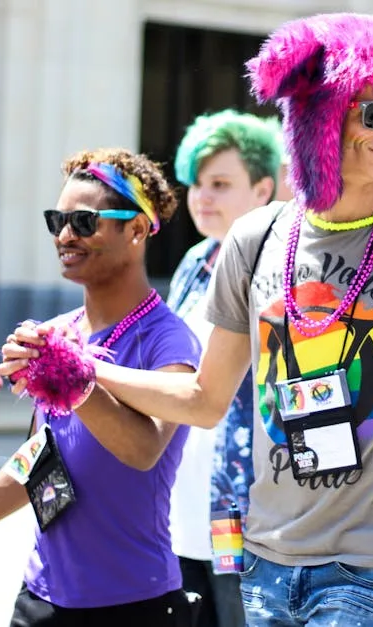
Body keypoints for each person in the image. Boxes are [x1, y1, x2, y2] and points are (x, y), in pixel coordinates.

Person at [1, 12, 373, 627]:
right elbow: (204, 399)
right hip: (267, 564)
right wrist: (81, 371)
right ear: (322, 117)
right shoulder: (255, 238)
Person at [0, 148, 200, 626]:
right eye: (57, 220)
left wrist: (76, 382)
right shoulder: (57, 334)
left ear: (136, 230)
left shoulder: (170, 341)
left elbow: (144, 448)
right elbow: (38, 458)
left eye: (84, 222)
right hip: (40, 599)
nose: (65, 235)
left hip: (134, 605)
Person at [167, 109, 280, 627]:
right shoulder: (195, 263)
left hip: (246, 509)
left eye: (219, 184)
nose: (201, 197)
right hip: (183, 506)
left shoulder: (280, 267)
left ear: (262, 189)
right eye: (196, 183)